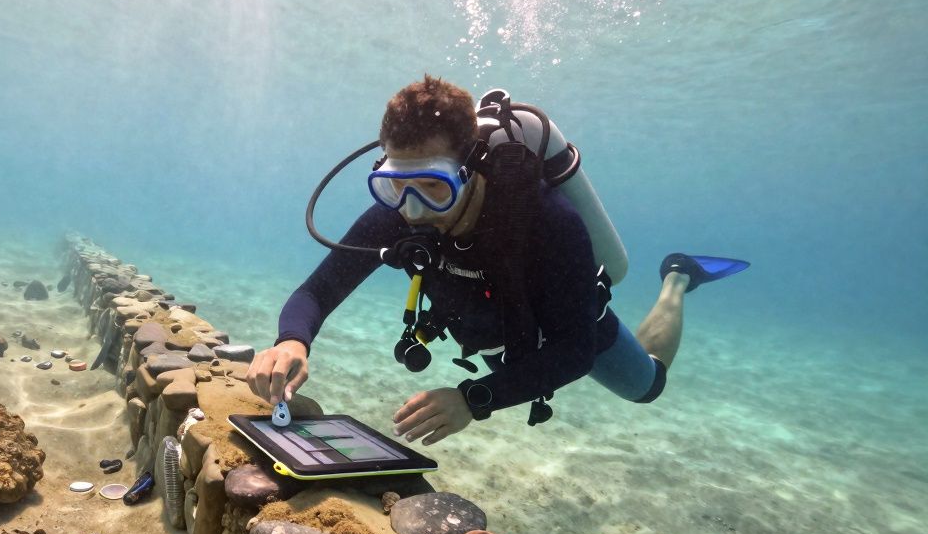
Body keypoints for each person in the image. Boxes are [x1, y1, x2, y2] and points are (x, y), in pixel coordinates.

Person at [246, 75, 747, 446]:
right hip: (492, 328)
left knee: (648, 386)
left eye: (434, 187)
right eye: (396, 185)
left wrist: (472, 399)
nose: (414, 209)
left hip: (563, 326)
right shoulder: (401, 208)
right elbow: (317, 291)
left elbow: (574, 350)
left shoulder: (548, 222)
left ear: (469, 168)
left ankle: (678, 276)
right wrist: (292, 339)